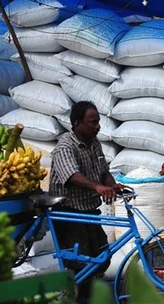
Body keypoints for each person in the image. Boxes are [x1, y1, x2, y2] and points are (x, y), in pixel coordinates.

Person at [49, 101, 126, 303]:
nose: (98, 126)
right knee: (81, 263)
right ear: (77, 123)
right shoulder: (65, 146)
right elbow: (73, 176)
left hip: (88, 211)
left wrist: (113, 185)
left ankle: (85, 294)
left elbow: (104, 171)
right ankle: (72, 295)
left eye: (98, 122)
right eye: (93, 122)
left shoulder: (94, 143)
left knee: (101, 258)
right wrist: (98, 188)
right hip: (68, 213)